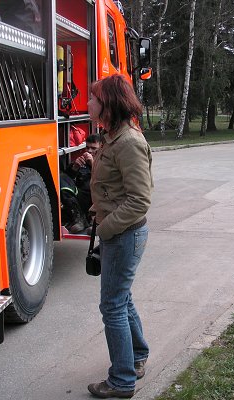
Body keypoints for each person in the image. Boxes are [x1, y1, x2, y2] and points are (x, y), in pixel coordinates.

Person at [87, 74, 153, 399]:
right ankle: (137, 357)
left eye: (93, 99)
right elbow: (115, 185)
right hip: (120, 231)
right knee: (122, 299)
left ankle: (122, 380)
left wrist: (105, 227)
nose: (88, 104)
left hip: (124, 235)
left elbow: (140, 199)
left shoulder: (129, 142)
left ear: (108, 105)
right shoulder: (113, 136)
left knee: (111, 305)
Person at [65, 134, 100, 232]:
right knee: (62, 181)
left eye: (93, 148)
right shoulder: (81, 161)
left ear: (101, 148)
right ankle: (80, 219)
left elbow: (105, 179)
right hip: (81, 197)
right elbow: (67, 179)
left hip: (98, 196)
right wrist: (75, 168)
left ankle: (96, 222)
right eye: (87, 147)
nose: (89, 151)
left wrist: (92, 164)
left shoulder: (104, 161)